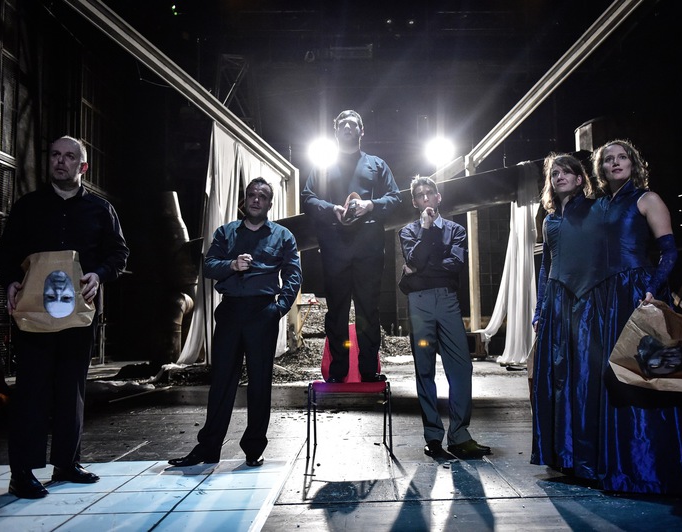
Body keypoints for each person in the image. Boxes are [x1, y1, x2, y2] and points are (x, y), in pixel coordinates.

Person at [590, 139, 682, 495]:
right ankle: (627, 461)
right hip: (606, 298)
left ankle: (661, 461)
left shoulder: (648, 199)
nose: (616, 163)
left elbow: (669, 253)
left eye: (622, 157)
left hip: (638, 292)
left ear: (633, 163)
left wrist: (652, 288)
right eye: (609, 159)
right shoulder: (600, 206)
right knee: (618, 377)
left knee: (653, 373)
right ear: (601, 169)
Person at [0, 135, 129, 499]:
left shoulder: (100, 210)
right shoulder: (29, 206)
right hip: (35, 314)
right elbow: (5, 252)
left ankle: (67, 463)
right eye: (55, 154)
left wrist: (99, 274)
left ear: (82, 167)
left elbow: (119, 254)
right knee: (31, 390)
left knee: (72, 389)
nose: (60, 161)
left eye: (69, 157)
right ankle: (22, 472)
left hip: (79, 313)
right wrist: (10, 281)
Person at [169, 177, 302, 469]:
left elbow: (293, 274)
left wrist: (278, 309)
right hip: (230, 312)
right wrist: (231, 264)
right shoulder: (226, 232)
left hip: (262, 312)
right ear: (245, 200)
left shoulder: (283, 236)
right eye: (252, 194)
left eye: (262, 196)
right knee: (221, 381)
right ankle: (208, 448)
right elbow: (208, 266)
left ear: (269, 203)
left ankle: (253, 448)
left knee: (260, 383)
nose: (256, 199)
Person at [301, 110, 401, 383]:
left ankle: (369, 371)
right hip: (335, 248)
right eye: (342, 124)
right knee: (337, 312)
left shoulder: (376, 164)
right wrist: (330, 208)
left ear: (361, 130)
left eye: (353, 124)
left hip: (369, 248)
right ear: (335, 131)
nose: (347, 127)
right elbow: (307, 198)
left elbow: (395, 197)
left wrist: (371, 205)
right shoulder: (323, 167)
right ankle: (338, 372)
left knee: (369, 310)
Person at [398, 176, 491, 459]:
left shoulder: (456, 230)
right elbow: (414, 260)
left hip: (447, 300)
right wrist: (426, 231)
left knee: (461, 367)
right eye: (420, 194)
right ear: (414, 202)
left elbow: (455, 265)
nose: (426, 197)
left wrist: (420, 269)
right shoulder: (408, 231)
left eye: (430, 193)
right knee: (424, 368)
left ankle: (460, 435)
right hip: (420, 302)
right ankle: (433, 437)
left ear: (439, 197)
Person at [530, 153, 602, 479]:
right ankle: (564, 453)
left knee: (584, 377)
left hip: (585, 302)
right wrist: (539, 310)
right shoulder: (548, 221)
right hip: (556, 305)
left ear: (579, 178)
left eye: (566, 172)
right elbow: (546, 267)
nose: (559, 177)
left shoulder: (594, 211)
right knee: (558, 378)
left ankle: (588, 454)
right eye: (554, 173)